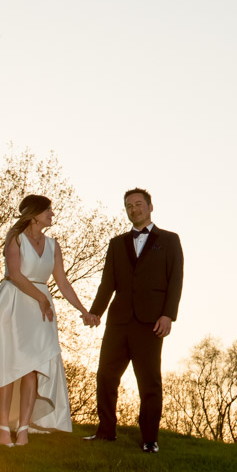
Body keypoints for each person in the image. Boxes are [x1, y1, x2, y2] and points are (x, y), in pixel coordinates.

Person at [0, 195, 97, 446]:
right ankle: (3, 427)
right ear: (34, 214)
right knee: (9, 366)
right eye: (48, 210)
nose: (52, 215)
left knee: (33, 368)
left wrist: (84, 310)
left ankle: (23, 428)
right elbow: (15, 275)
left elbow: (63, 282)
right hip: (14, 303)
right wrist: (40, 299)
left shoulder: (53, 245)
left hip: (40, 311)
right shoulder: (15, 239)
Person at [85, 188, 183, 453]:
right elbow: (108, 282)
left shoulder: (170, 240)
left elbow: (175, 280)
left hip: (151, 322)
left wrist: (168, 315)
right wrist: (96, 311)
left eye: (138, 204)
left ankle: (149, 438)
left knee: (149, 382)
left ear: (150, 207)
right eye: (129, 206)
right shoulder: (117, 244)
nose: (134, 209)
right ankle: (106, 431)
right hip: (118, 321)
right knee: (106, 377)